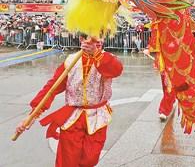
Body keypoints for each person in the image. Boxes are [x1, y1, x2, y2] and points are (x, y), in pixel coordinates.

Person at [15, 34, 123, 167]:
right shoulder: (70, 61)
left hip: (97, 117)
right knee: (67, 160)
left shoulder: (107, 58)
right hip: (73, 117)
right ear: (82, 40)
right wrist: (32, 115)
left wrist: (96, 54)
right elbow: (52, 87)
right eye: (92, 38)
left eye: (100, 37)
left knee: (90, 159)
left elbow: (115, 70)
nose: (98, 41)